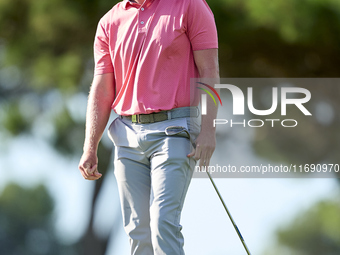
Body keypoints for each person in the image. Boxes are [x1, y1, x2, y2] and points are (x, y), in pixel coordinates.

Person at [78, 0, 219, 254]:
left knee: (163, 223)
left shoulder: (190, 5)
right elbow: (101, 90)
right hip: (127, 135)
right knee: (137, 231)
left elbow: (209, 69)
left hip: (175, 130)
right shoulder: (109, 21)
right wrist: (90, 146)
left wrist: (208, 129)